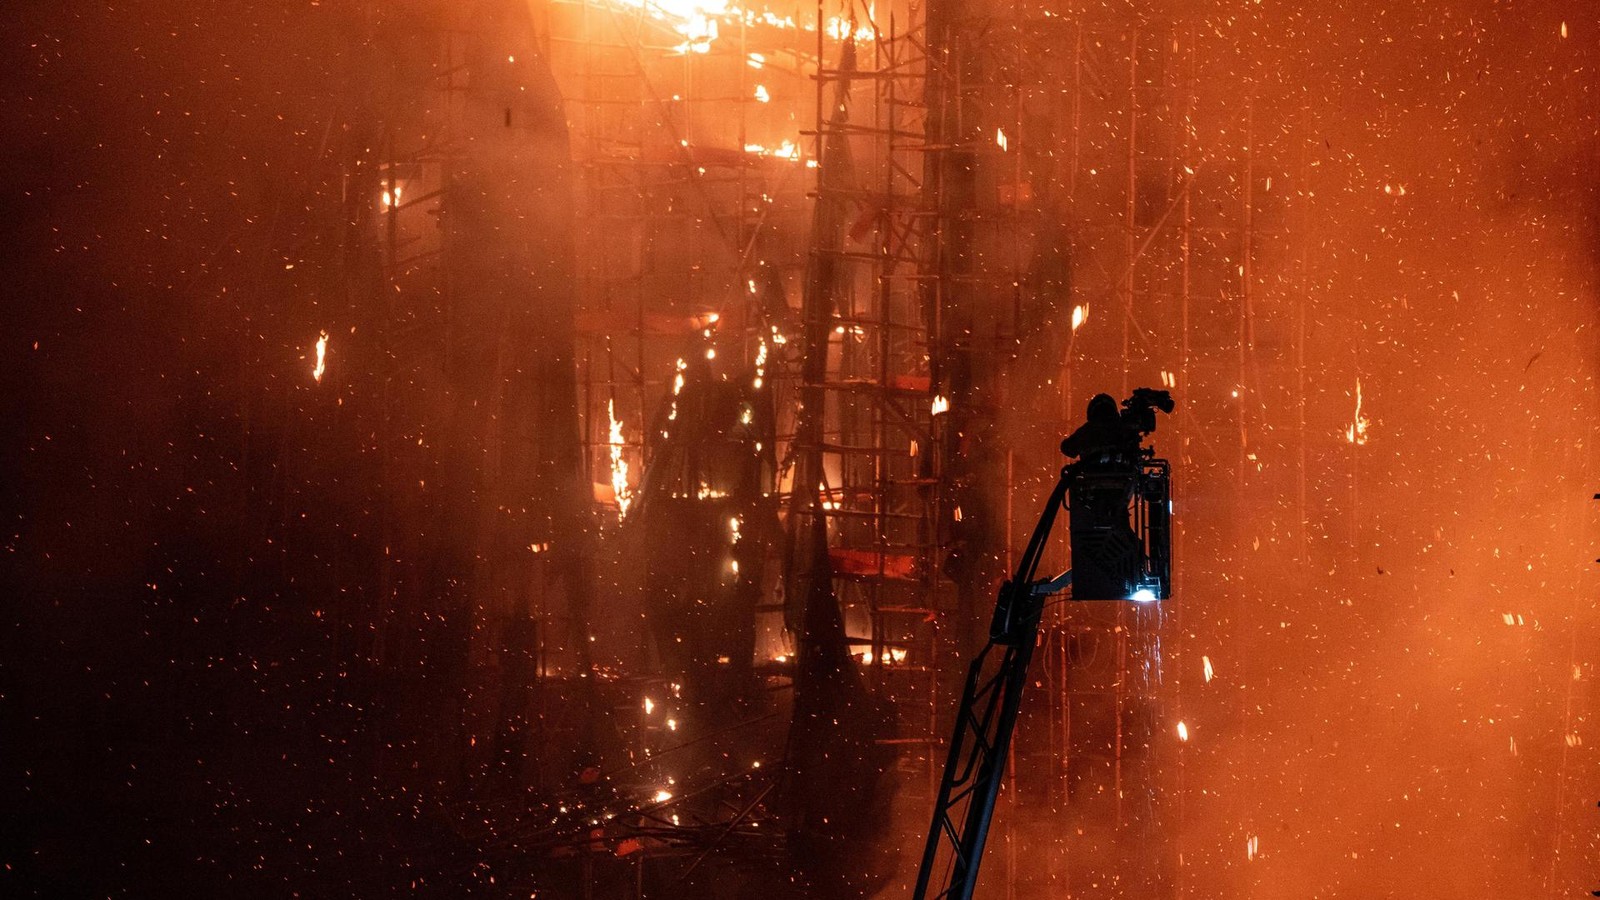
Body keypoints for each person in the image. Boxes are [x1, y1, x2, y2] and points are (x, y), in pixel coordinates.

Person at [1060, 393, 1140, 462]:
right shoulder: (1123, 428)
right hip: (1122, 474)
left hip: (1090, 475)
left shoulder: (1086, 431)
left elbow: (1067, 448)